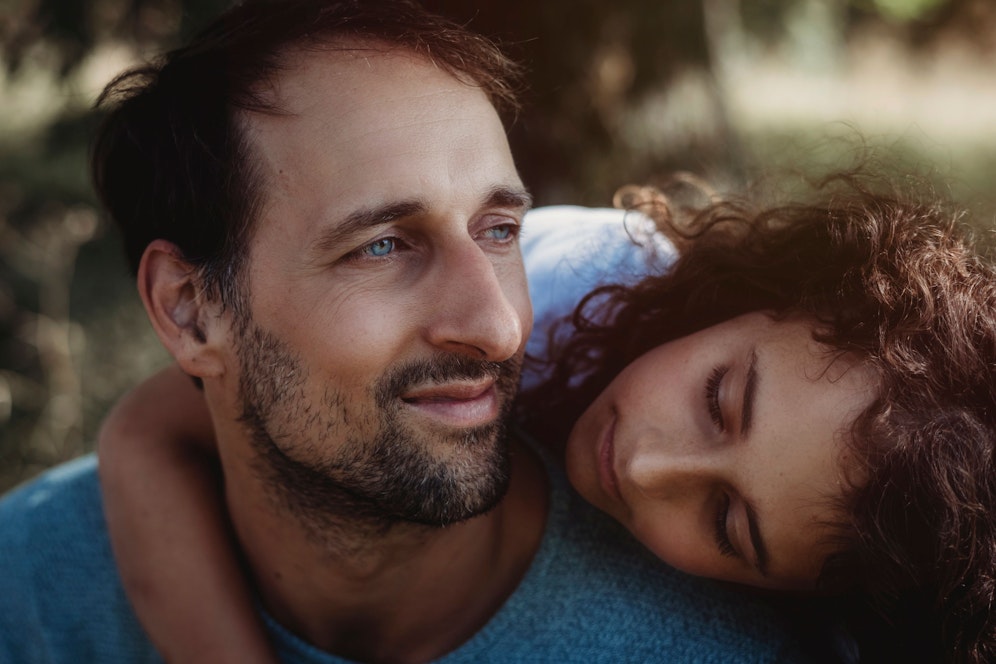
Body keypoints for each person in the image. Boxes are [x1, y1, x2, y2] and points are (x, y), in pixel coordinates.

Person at [0, 1, 817, 663]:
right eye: (382, 245)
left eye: (500, 231)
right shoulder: (31, 583)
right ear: (187, 309)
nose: (496, 328)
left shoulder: (713, 645)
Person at [97, 170, 996, 664]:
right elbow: (147, 430)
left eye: (727, 523)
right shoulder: (548, 289)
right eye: (718, 399)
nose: (646, 468)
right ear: (762, 301)